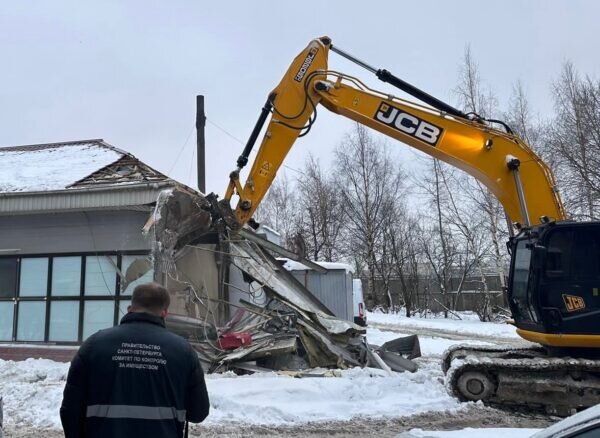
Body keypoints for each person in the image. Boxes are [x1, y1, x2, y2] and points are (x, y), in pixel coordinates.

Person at [60, 282, 209, 438]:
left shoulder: (94, 345)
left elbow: (70, 409)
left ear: (130, 309)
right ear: (165, 313)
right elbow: (198, 413)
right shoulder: (183, 351)